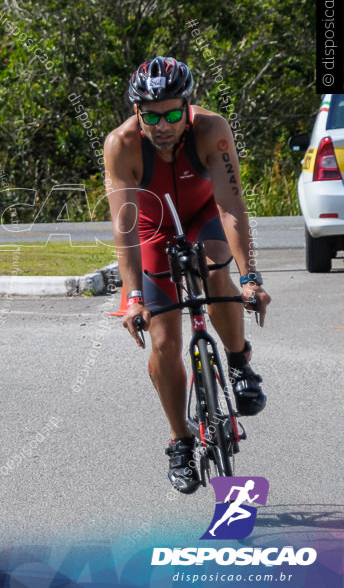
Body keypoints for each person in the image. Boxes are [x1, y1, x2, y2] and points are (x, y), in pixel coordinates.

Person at [103, 56, 271, 494]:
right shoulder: (121, 145)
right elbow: (123, 226)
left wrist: (251, 277)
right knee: (162, 341)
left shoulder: (211, 130)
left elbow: (232, 205)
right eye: (151, 116)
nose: (162, 125)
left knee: (216, 269)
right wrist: (134, 295)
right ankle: (179, 439)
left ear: (189, 107)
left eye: (173, 114)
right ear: (136, 112)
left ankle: (238, 364)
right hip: (151, 228)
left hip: (203, 215)